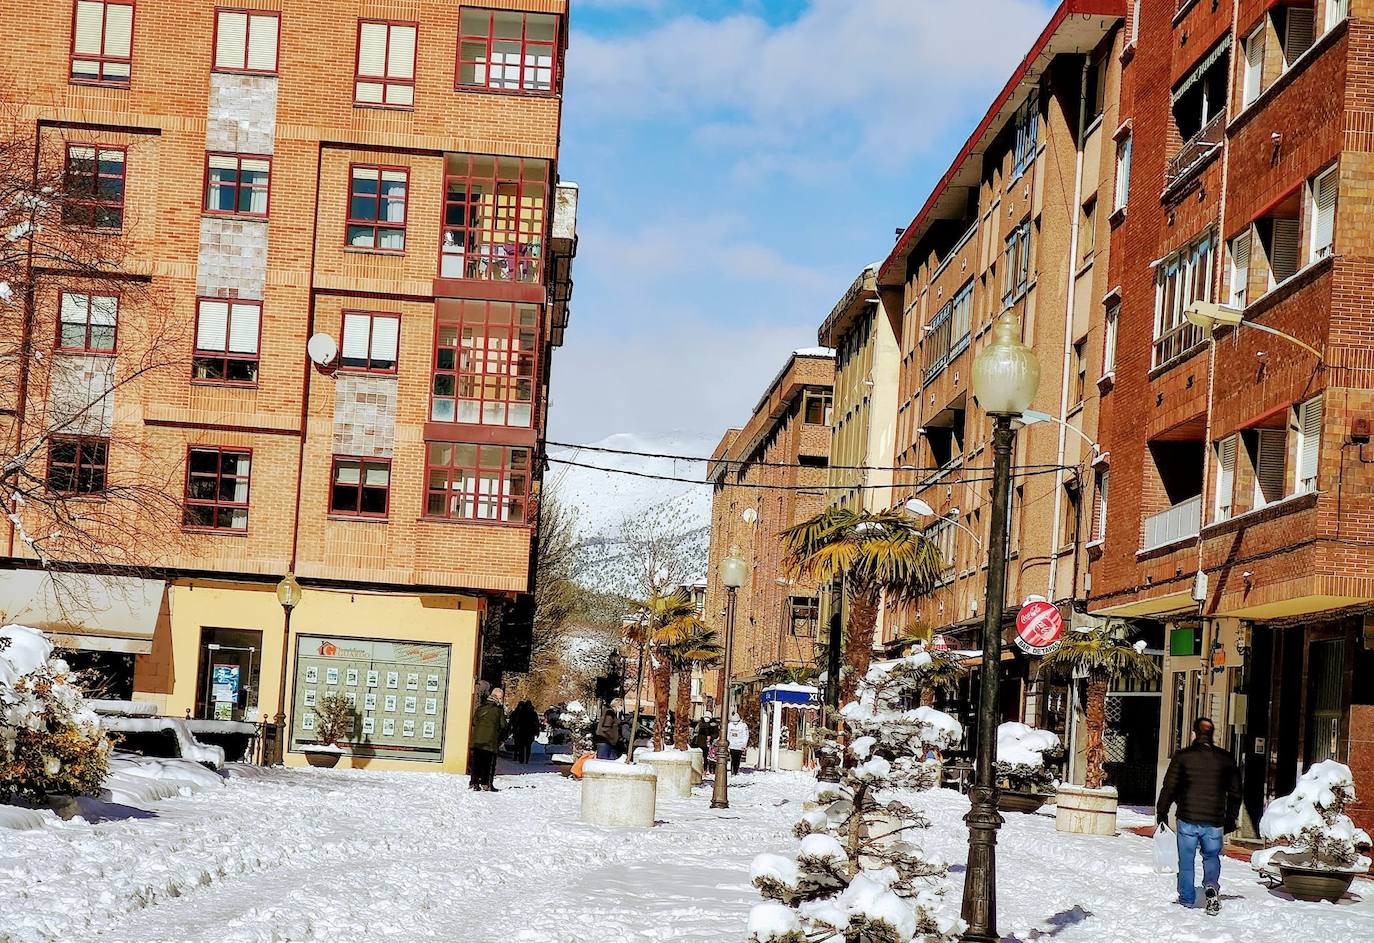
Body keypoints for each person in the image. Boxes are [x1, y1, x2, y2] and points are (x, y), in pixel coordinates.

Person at [1156, 717, 1241, 915]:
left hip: (1187, 817)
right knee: (1211, 856)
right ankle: (1211, 886)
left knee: (1186, 860)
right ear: (1212, 734)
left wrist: (1162, 811)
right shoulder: (1225, 759)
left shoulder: (1183, 756)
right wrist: (1231, 818)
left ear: (1194, 733)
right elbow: (1236, 792)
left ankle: (1186, 898)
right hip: (1214, 819)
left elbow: (1169, 786)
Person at [469, 686, 506, 792]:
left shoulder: (480, 708)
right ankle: (486, 783)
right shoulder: (498, 710)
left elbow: (474, 722)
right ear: (497, 697)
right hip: (490, 741)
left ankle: (474, 782)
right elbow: (503, 725)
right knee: (488, 763)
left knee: (476, 762)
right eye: (501, 698)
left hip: (478, 740)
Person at [509, 699, 540, 765]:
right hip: (530, 732)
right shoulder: (533, 713)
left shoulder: (522, 712)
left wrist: (514, 729)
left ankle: (521, 759)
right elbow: (536, 723)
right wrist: (536, 731)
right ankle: (526, 759)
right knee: (528, 746)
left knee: (521, 746)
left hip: (522, 731)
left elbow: (517, 721)